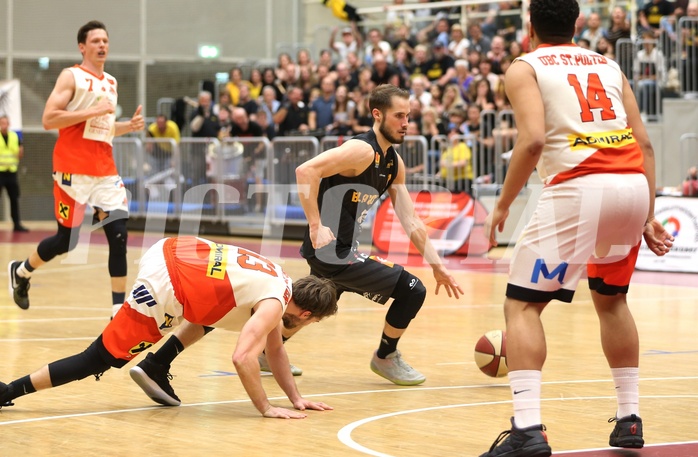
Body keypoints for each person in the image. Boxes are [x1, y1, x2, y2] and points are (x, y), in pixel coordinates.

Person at [479, 1, 674, 455]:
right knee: (612, 301)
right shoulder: (607, 64)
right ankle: (629, 420)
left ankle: (527, 429)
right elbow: (643, 142)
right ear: (577, 23)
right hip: (630, 185)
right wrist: (647, 213)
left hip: (579, 186)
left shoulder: (524, 66)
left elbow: (532, 141)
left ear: (529, 26)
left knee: (523, 307)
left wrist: (503, 206)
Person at [0, 236, 338, 418]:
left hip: (170, 248)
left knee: (224, 309)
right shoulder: (274, 304)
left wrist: (296, 398)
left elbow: (275, 347)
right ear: (307, 315)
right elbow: (243, 358)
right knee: (98, 358)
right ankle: (8, 391)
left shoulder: (279, 277)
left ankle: (156, 365)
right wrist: (266, 407)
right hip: (167, 286)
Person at [295, 84, 464, 386]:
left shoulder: (393, 163)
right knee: (412, 290)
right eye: (399, 115)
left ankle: (267, 349)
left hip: (341, 251)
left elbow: (411, 221)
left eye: (408, 116)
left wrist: (438, 266)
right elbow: (305, 170)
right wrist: (315, 225)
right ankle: (385, 357)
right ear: (377, 114)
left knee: (312, 306)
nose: (405, 123)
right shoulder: (361, 150)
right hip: (332, 252)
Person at [7, 20, 144, 315]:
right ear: (82, 47)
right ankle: (21, 271)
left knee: (119, 237)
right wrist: (91, 110)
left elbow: (102, 129)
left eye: (105, 40)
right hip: (72, 171)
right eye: (96, 41)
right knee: (66, 242)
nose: (102, 45)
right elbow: (49, 119)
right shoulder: (71, 77)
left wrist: (127, 127)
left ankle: (117, 311)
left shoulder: (111, 82)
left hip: (105, 171)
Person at [0, 115, 29, 232]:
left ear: (9, 124)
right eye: (1, 123)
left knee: (14, 198)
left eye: (5, 123)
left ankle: (17, 224)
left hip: (11, 172)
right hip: (0, 172)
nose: (3, 125)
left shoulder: (14, 136)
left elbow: (20, 152)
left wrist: (20, 152)